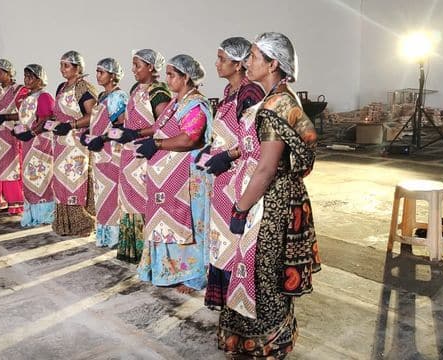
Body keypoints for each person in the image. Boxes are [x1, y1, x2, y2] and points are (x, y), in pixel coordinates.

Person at [217, 32, 321, 359]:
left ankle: (268, 342)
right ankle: (248, 336)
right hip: (273, 192)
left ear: (273, 64)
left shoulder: (276, 105)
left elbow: (266, 168)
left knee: (264, 270)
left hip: (271, 200)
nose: (247, 63)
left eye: (254, 57)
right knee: (256, 265)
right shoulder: (278, 97)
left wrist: (240, 208)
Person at [134, 54, 212, 294]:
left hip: (188, 179)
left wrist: (156, 144)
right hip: (166, 177)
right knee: (163, 222)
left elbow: (190, 138)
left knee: (189, 225)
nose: (166, 79)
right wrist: (136, 134)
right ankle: (164, 269)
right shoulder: (175, 103)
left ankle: (191, 274)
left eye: (171, 75)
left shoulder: (196, 104)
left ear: (186, 77)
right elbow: (159, 128)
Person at [202, 37, 265, 309]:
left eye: (221, 59)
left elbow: (254, 140)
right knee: (221, 240)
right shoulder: (229, 92)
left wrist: (227, 156)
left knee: (234, 241)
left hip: (239, 180)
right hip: (222, 179)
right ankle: (225, 300)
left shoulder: (250, 94)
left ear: (238, 64)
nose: (217, 64)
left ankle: (238, 299)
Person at [112, 49, 171, 263]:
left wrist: (136, 133)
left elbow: (163, 124)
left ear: (151, 67)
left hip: (146, 155)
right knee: (128, 202)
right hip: (129, 154)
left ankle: (147, 252)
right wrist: (119, 131)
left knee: (142, 201)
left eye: (137, 65)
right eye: (133, 65)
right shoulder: (136, 89)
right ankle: (131, 249)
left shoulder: (159, 92)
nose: (133, 69)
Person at [81, 58, 128, 247]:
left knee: (111, 193)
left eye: (102, 72)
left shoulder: (119, 96)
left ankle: (114, 236)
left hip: (113, 152)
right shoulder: (101, 96)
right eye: (97, 71)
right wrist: (89, 134)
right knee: (101, 195)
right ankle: (103, 235)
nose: (98, 75)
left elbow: (122, 125)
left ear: (113, 76)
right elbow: (97, 123)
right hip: (99, 152)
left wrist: (103, 137)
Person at [51, 50, 98, 236]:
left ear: (77, 68)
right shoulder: (61, 88)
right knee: (61, 182)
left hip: (77, 145)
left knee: (76, 182)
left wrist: (71, 124)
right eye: (61, 65)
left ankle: (83, 223)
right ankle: (65, 224)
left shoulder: (83, 87)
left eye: (66, 65)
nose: (62, 69)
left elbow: (92, 116)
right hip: (61, 143)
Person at [13, 64, 56, 227]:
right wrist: (17, 131)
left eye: (30, 77)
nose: (26, 80)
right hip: (27, 143)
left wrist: (31, 133)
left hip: (41, 143)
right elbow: (24, 120)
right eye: (25, 76)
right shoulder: (26, 98)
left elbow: (47, 120)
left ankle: (45, 214)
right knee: (29, 179)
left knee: (40, 177)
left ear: (40, 79)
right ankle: (32, 213)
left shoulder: (44, 97)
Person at [0, 59, 29, 215]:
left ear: (10, 72)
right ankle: (1, 200)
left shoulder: (19, 90)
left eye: (0, 72)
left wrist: (4, 117)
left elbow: (24, 113)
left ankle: (15, 203)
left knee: (11, 168)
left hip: (11, 135)